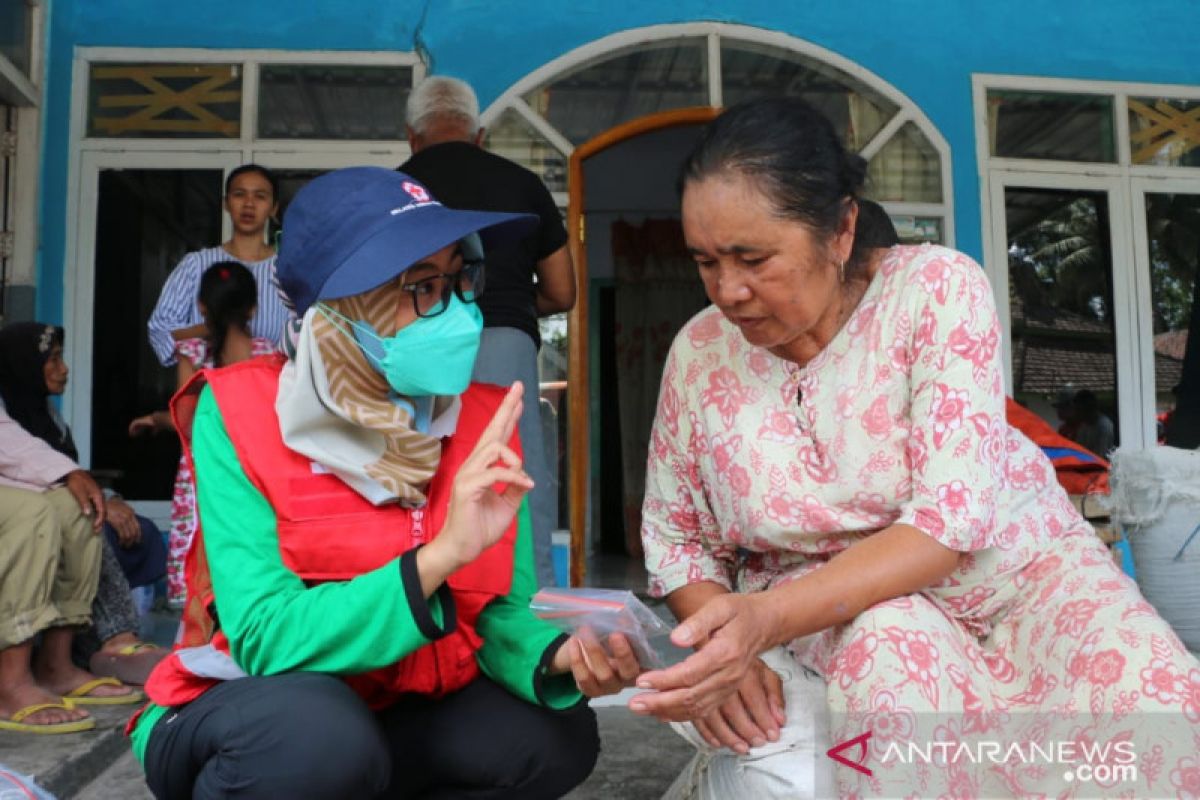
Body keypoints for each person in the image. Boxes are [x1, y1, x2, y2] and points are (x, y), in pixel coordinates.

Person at [631, 98, 1200, 797]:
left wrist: (760, 622)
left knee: (1157, 708)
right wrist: (731, 644)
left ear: (839, 231)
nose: (727, 290)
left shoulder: (934, 289)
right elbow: (677, 536)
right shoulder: (699, 353)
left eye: (752, 258)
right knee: (894, 689)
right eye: (705, 261)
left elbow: (945, 525)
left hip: (1022, 584)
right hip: (848, 608)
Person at [131, 167, 641, 799]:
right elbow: (265, 636)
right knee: (319, 740)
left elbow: (499, 615)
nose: (455, 310)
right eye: (421, 287)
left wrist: (558, 654)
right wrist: (439, 556)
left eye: (460, 278)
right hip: (252, 708)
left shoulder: (484, 416)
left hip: (396, 704)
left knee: (552, 735)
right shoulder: (238, 411)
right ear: (341, 310)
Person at [400, 76, 576, 587]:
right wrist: (516, 303)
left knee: (419, 468)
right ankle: (529, 605)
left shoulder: (397, 187)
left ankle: (427, 589)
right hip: (504, 335)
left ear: (413, 136)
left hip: (419, 338)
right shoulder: (521, 183)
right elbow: (563, 292)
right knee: (515, 470)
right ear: (478, 135)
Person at [0, 322, 167, 688]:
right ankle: (112, 639)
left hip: (49, 497)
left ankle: (68, 659)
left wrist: (109, 496)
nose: (65, 369)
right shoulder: (15, 414)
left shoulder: (50, 419)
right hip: (31, 504)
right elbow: (29, 475)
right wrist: (98, 498)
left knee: (127, 526)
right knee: (72, 515)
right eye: (53, 360)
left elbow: (63, 468)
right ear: (24, 364)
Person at [131, 261, 275, 608]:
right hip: (255, 475)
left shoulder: (194, 354)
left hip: (203, 474)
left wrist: (154, 418)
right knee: (252, 563)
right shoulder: (270, 357)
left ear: (201, 307)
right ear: (253, 308)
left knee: (201, 574)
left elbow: (187, 418)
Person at [146, 164, 290, 366]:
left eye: (260, 196)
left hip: (271, 391)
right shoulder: (196, 265)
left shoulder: (288, 271)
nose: (249, 204)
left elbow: (304, 336)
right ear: (226, 203)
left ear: (274, 208)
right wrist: (214, 327)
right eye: (239, 194)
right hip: (209, 390)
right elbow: (160, 330)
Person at [1070, 388, 1116, 456]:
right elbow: (1078, 451)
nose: (1075, 413)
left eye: (1078, 409)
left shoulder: (1104, 428)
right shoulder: (1084, 427)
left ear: (1087, 409)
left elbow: (1102, 458)